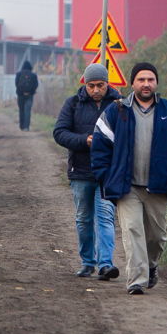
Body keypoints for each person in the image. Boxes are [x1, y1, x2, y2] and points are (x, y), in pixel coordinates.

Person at [90, 62, 167, 295]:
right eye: (141, 79)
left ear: (156, 83)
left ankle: (150, 266)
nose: (146, 84)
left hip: (160, 185)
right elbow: (100, 147)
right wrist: (107, 177)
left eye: (150, 79)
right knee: (132, 231)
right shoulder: (116, 111)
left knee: (157, 237)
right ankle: (136, 280)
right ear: (132, 83)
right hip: (127, 187)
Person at [53, 63, 121, 280]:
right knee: (83, 218)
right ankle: (87, 262)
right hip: (81, 171)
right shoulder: (73, 104)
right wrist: (85, 140)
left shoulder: (120, 105)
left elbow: (130, 135)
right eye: (91, 85)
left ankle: (105, 264)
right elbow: (60, 133)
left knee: (105, 217)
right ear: (85, 83)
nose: (95, 90)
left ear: (107, 83)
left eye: (100, 85)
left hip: (108, 173)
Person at [14, 60, 38, 131]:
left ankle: (21, 126)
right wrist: (31, 92)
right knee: (28, 110)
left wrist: (22, 91)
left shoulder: (19, 74)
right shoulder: (33, 75)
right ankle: (26, 127)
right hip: (29, 95)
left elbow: (16, 84)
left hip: (20, 95)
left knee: (21, 110)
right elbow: (36, 85)